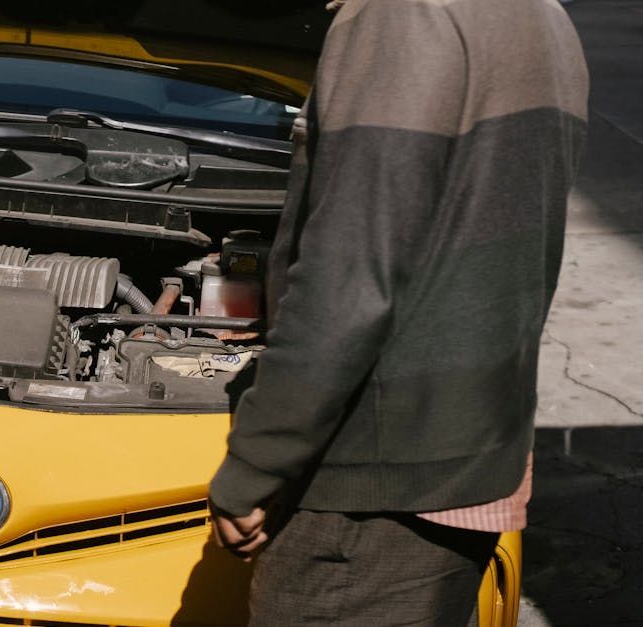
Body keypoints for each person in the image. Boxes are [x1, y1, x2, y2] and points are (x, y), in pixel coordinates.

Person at [208, 0, 588, 623]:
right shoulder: (543, 16)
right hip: (465, 453)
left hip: (371, 487)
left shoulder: (402, 15)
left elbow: (350, 280)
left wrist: (254, 464)